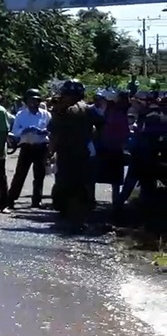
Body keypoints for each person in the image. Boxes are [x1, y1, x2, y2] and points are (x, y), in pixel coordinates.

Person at [49, 79, 99, 231]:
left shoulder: (63, 111)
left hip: (68, 153)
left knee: (66, 183)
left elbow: (54, 133)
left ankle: (68, 214)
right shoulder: (89, 109)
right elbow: (101, 125)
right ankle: (78, 216)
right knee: (82, 185)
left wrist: (50, 150)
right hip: (82, 152)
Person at [8, 88, 52, 209]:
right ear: (26, 101)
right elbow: (15, 131)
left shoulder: (46, 114)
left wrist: (44, 132)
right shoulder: (21, 115)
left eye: (36, 100)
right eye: (31, 100)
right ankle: (11, 199)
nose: (33, 103)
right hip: (27, 147)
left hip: (41, 147)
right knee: (20, 174)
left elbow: (51, 130)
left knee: (39, 175)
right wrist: (25, 130)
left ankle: (36, 200)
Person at [98, 91, 130, 207]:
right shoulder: (109, 114)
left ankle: (116, 204)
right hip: (109, 149)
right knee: (113, 180)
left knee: (114, 180)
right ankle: (115, 204)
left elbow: (124, 134)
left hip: (111, 149)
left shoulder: (114, 115)